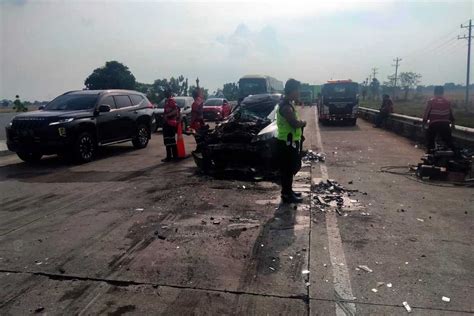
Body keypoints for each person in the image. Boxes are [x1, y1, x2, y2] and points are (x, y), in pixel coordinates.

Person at [277, 79, 307, 204]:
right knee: (288, 169)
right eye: (298, 90)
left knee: (289, 169)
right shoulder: (286, 107)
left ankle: (289, 191)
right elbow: (293, 123)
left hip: (289, 142)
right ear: (292, 91)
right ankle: (287, 195)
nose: (299, 93)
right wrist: (303, 123)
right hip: (286, 143)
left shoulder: (288, 104)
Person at [422, 86, 456, 152]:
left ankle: (430, 154)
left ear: (434, 92)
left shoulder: (431, 102)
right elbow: (451, 114)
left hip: (434, 124)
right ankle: (455, 156)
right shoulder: (447, 102)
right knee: (449, 142)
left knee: (430, 140)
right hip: (445, 124)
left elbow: (426, 114)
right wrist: (453, 124)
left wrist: (423, 125)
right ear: (443, 92)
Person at [162, 90, 180, 162]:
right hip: (168, 123)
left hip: (170, 123)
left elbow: (176, 110)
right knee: (168, 140)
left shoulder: (171, 100)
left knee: (171, 140)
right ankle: (170, 157)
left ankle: (174, 156)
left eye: (166, 92)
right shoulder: (167, 101)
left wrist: (168, 115)